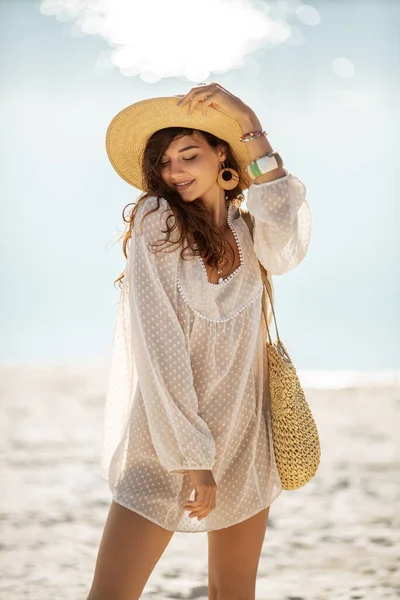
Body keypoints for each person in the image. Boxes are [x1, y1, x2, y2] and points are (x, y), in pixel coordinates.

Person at [87, 82, 311, 600]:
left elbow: (286, 226)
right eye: (165, 162)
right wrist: (193, 457)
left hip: (245, 432)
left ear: (223, 159)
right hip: (168, 439)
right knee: (111, 594)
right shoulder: (157, 223)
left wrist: (249, 120)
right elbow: (158, 347)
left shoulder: (249, 230)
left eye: (190, 155)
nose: (176, 172)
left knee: (233, 592)